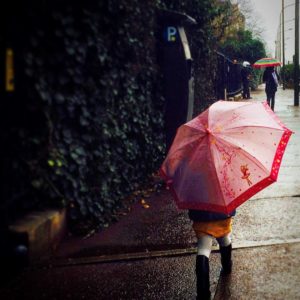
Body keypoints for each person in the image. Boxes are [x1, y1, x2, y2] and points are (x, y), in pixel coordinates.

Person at [189, 208, 235, 299]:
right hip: (222, 215)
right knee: (224, 239)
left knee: (203, 250)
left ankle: (203, 293)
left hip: (201, 217)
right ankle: (227, 265)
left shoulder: (194, 192)